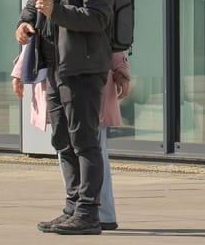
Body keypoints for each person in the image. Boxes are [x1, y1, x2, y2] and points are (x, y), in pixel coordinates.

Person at [16, 0, 116, 235]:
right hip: (54, 65)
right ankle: (72, 206)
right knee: (62, 140)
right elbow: (32, 5)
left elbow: (98, 17)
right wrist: (25, 23)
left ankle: (89, 212)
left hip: (83, 66)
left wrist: (57, 11)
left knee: (84, 140)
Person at [17, 41, 131, 231]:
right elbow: (39, 31)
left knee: (91, 149)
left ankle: (97, 214)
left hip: (86, 77)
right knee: (66, 146)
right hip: (57, 74)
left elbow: (104, 29)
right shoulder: (43, 11)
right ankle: (77, 211)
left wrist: (121, 68)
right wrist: (21, 68)